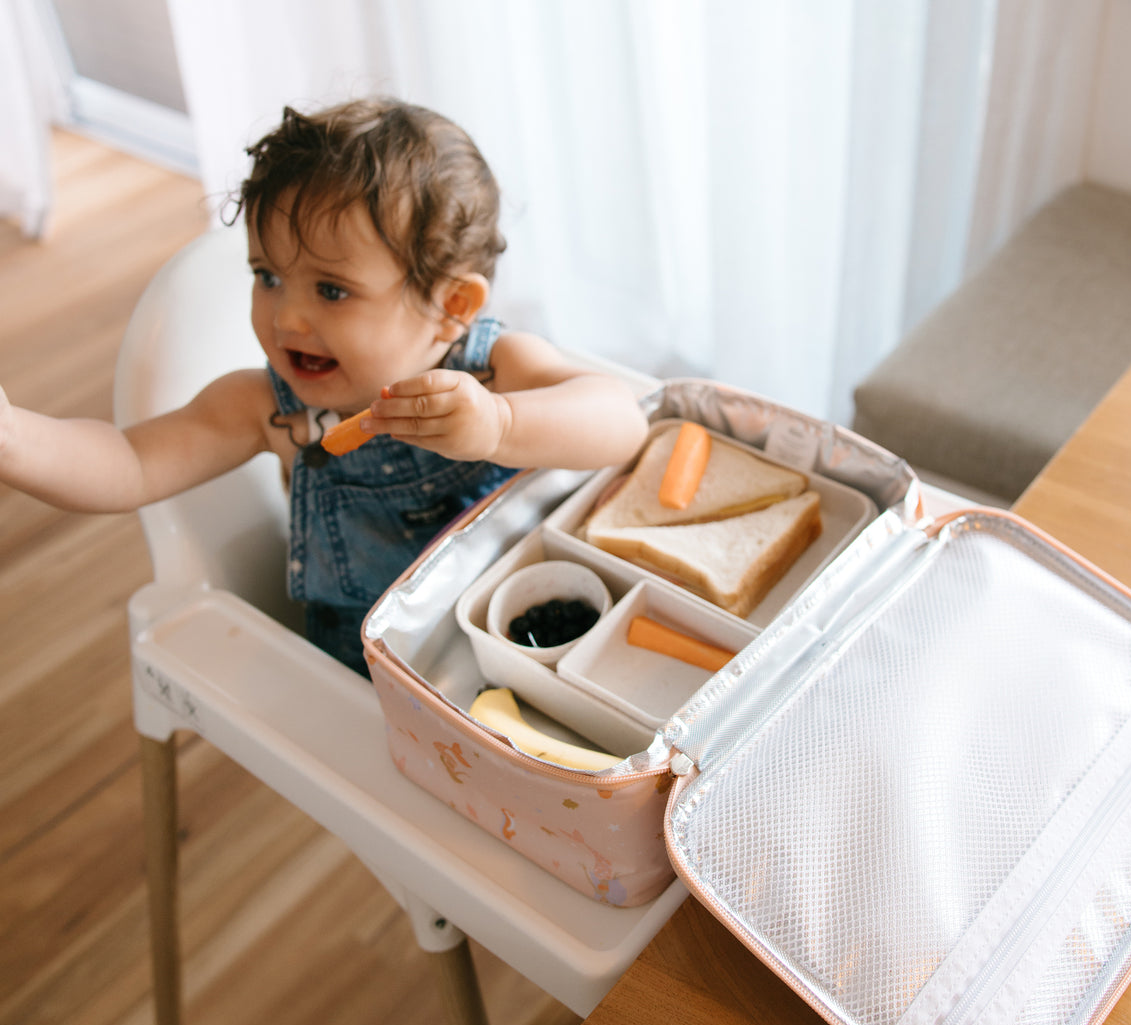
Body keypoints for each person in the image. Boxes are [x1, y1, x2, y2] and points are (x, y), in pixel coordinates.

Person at [0, 99, 648, 672]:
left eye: (332, 290)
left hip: (524, 632)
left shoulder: (493, 366)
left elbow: (622, 422)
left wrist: (501, 422)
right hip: (374, 678)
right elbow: (131, 463)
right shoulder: (267, 410)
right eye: (267, 276)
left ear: (452, 305)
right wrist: (15, 441)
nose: (287, 318)